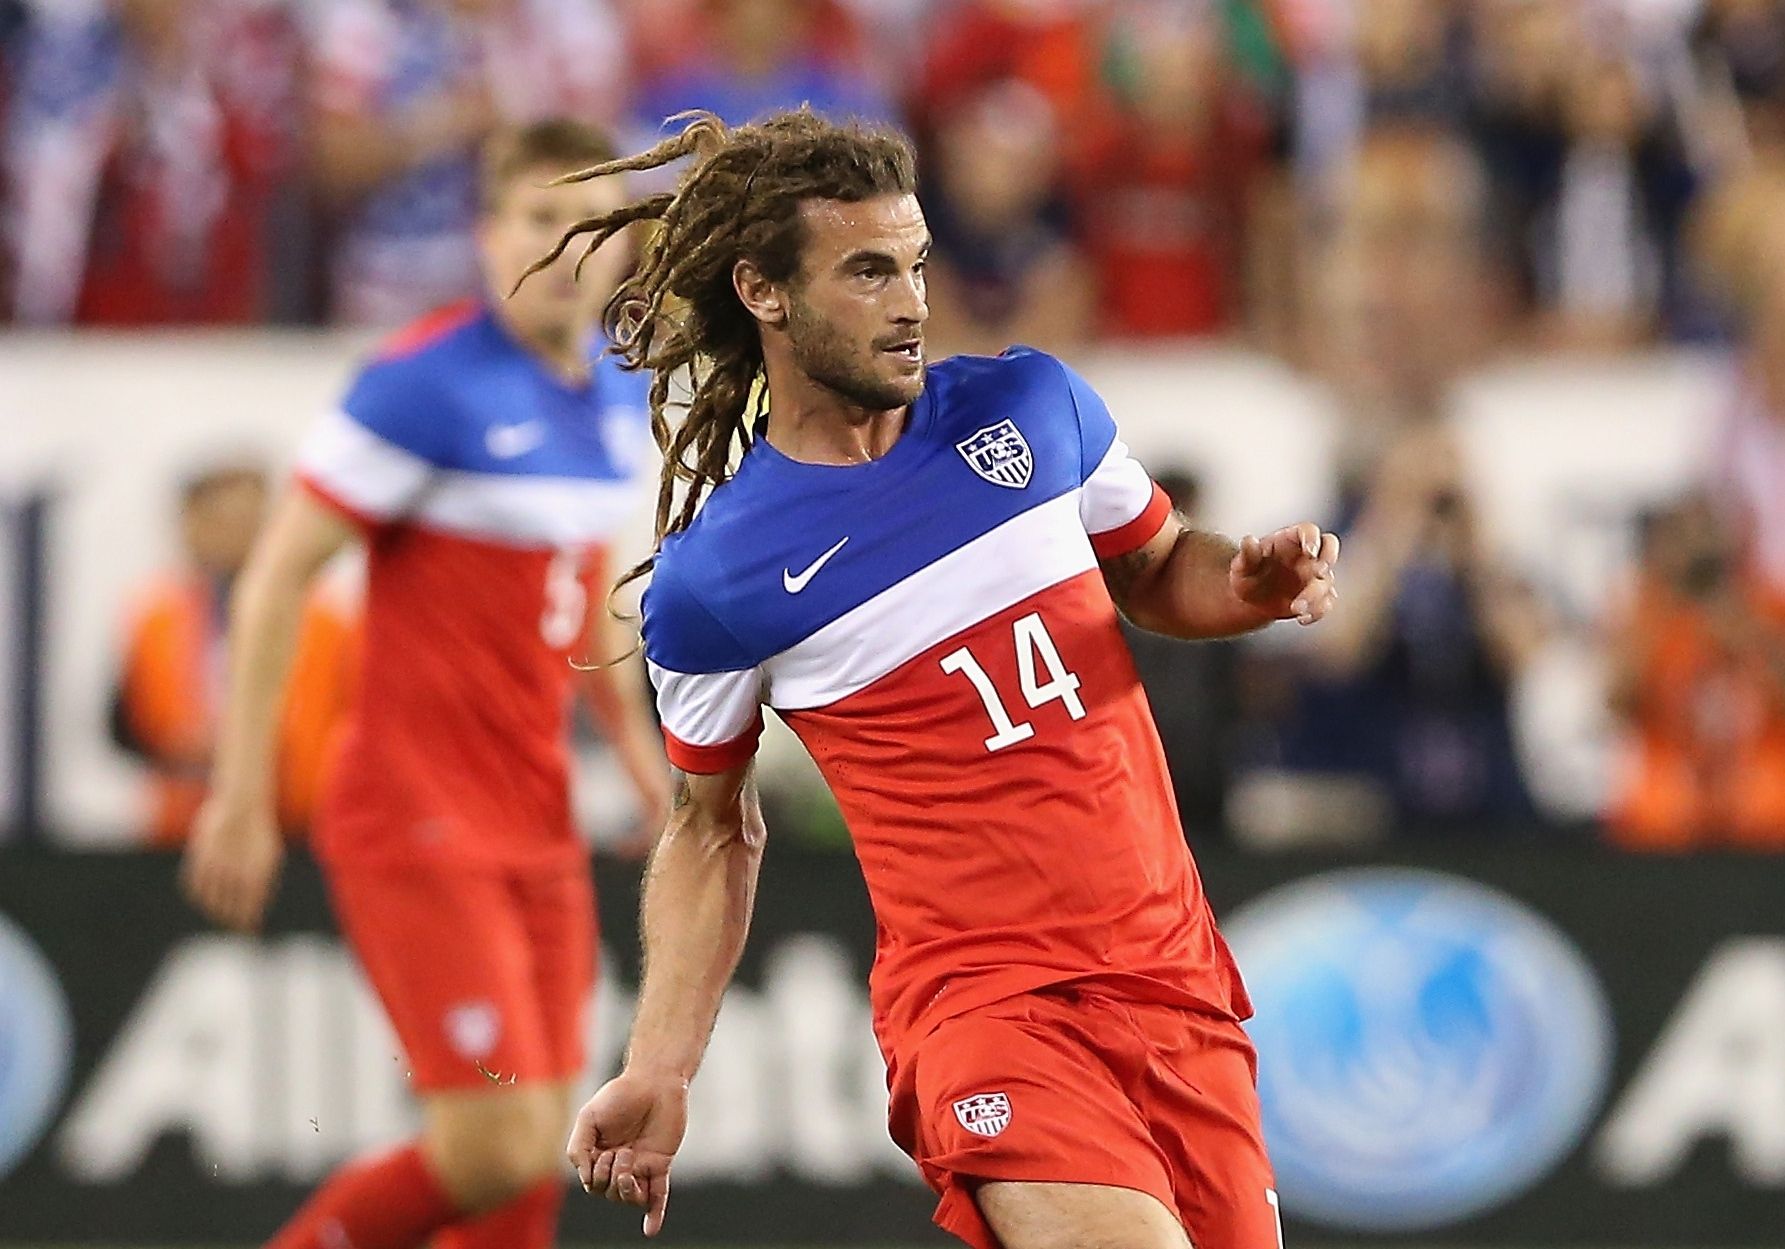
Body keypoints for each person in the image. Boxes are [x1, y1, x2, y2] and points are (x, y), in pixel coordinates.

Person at [548, 110, 1339, 1249]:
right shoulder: (718, 581)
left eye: (916, 263)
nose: (911, 300)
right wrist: (660, 1066)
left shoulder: (1032, 407)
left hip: (1174, 979)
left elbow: (1160, 567)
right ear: (764, 291)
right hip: (986, 1008)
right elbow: (712, 830)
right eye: (867, 271)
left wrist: (1250, 580)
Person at [180, 120, 670, 1249]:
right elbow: (275, 582)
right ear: (489, 234)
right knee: (494, 1141)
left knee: (544, 1156)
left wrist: (644, 756)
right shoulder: (421, 387)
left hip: (536, 822)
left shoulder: (603, 390)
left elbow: (586, 581)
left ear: (621, 249)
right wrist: (245, 794)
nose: (559, 247)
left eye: (581, 224)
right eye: (534, 220)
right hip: (417, 817)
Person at [113, 463, 355, 844]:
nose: (241, 537)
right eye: (222, 521)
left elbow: (354, 721)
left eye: (252, 521)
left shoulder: (327, 619)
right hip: (182, 831)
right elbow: (123, 727)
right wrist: (179, 747)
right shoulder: (156, 616)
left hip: (296, 829)